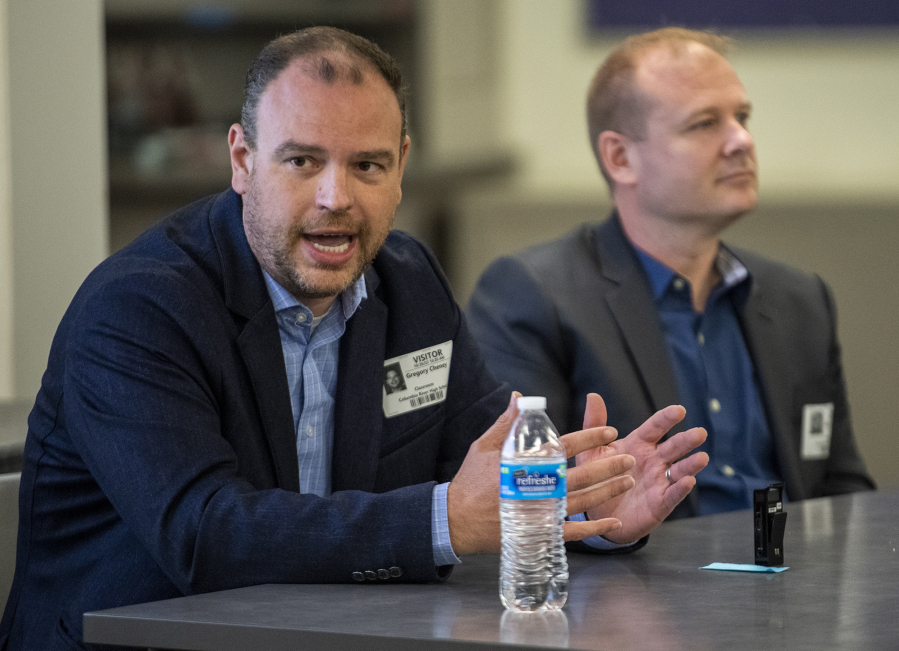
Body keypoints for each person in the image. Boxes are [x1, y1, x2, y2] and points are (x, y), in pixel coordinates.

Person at [0, 27, 708, 650]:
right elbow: (204, 534)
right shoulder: (139, 305)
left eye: (366, 165)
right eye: (302, 161)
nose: (336, 196)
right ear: (242, 161)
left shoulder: (407, 281)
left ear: (401, 167)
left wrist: (580, 502)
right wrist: (443, 519)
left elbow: (481, 453)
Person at [468, 27, 874, 521]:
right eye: (704, 124)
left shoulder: (800, 298)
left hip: (797, 586)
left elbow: (842, 492)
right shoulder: (533, 294)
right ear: (621, 157)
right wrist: (601, 525)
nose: (741, 140)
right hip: (638, 589)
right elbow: (516, 502)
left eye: (741, 117)